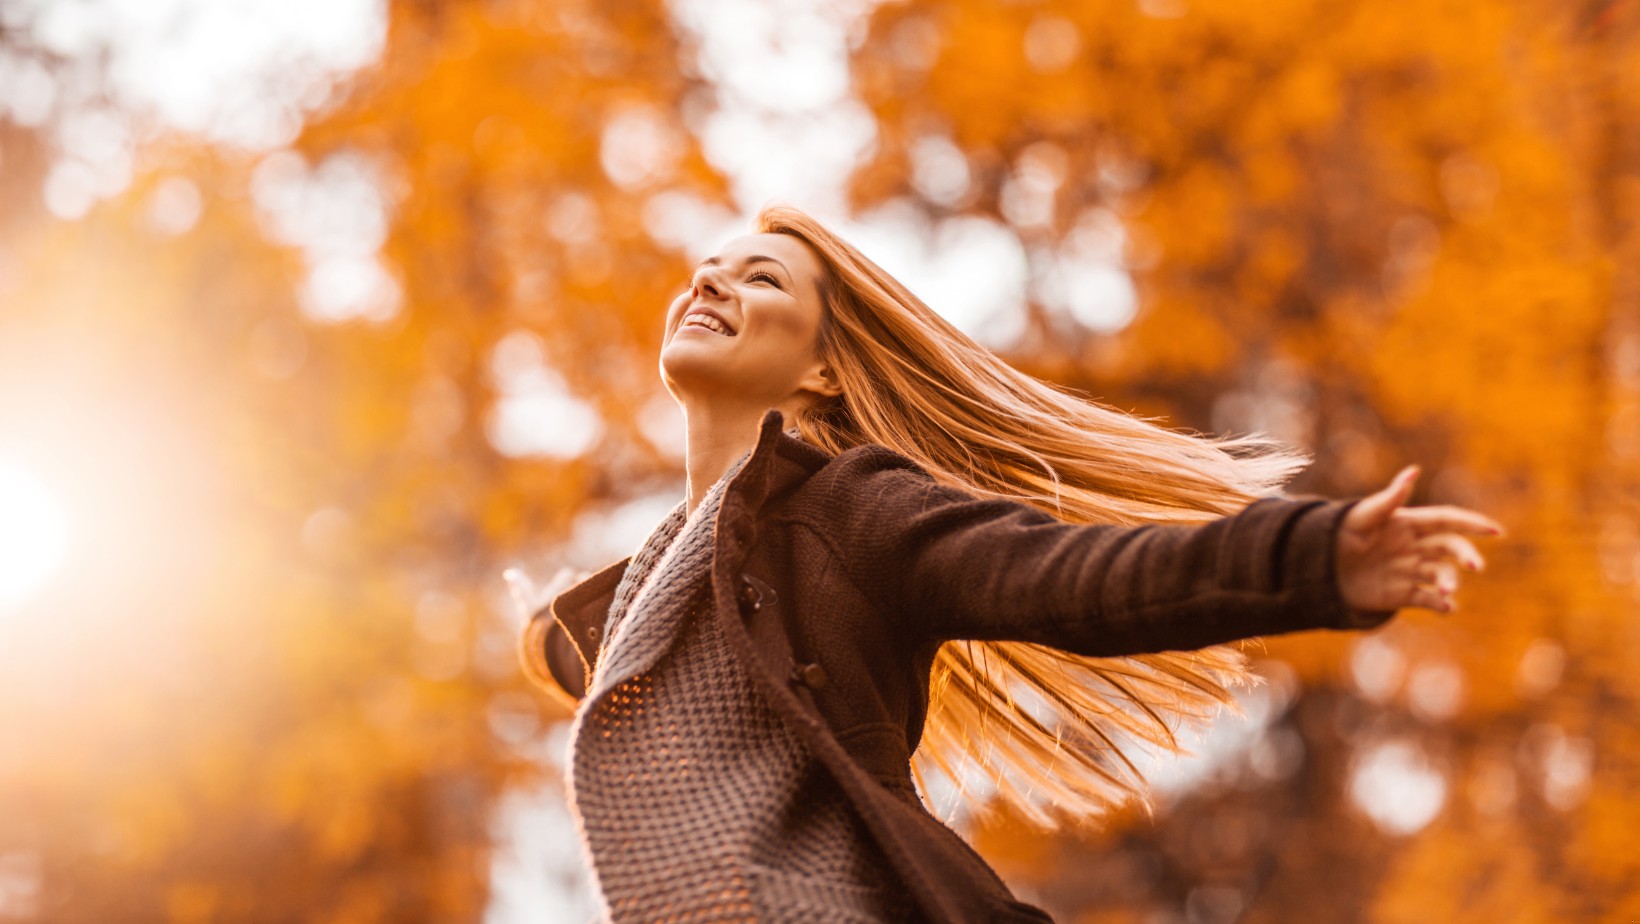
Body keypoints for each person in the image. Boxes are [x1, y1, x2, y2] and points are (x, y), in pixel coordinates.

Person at [516, 204, 1504, 923]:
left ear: (821, 369)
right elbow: (639, 673)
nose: (707, 284)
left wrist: (1311, 559)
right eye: (706, 269)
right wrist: (545, 635)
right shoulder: (658, 581)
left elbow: (1072, 577)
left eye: (760, 278)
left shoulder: (850, 513)